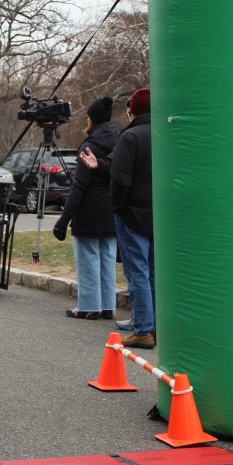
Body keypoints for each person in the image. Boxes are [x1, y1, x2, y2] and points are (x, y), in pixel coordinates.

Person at [80, 87, 154, 348]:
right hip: (156, 215)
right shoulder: (163, 135)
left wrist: (117, 206)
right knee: (152, 273)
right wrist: (100, 165)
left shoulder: (130, 137)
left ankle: (143, 329)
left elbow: (121, 178)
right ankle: (151, 324)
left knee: (137, 273)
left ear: (133, 110)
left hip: (132, 215)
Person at [53, 97, 121, 320]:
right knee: (107, 259)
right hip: (111, 210)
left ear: (91, 119)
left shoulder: (88, 147)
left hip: (89, 212)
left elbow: (79, 186)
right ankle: (107, 305)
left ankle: (89, 305)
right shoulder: (120, 142)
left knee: (88, 259)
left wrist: (64, 219)